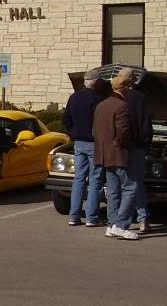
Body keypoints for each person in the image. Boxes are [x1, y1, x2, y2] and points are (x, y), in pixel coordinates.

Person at [92, 70, 139, 240]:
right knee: (130, 187)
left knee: (112, 191)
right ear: (124, 87)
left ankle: (111, 224)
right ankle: (121, 224)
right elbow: (123, 132)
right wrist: (123, 145)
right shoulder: (121, 106)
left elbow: (95, 131)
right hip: (118, 153)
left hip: (104, 154)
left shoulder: (101, 105)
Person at [62, 68, 104, 227]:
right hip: (94, 143)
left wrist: (73, 132)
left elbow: (66, 119)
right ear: (96, 83)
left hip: (79, 142)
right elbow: (101, 123)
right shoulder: (98, 99)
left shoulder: (74, 98)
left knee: (79, 178)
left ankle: (74, 215)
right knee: (95, 180)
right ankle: (92, 217)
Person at [122, 68, 153, 233]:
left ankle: (120, 220)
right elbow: (146, 122)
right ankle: (141, 218)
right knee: (136, 183)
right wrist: (146, 142)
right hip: (137, 145)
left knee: (123, 184)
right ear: (133, 80)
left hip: (121, 145)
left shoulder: (117, 97)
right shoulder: (139, 97)